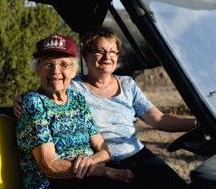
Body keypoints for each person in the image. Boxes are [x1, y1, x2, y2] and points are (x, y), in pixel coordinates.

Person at [14, 26, 199, 189]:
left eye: (112, 52)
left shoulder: (125, 85)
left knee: (178, 186)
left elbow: (158, 119)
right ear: (85, 56)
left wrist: (200, 123)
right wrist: (23, 98)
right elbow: (49, 86)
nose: (107, 57)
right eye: (100, 51)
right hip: (98, 164)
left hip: (132, 155)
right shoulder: (72, 86)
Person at [16, 33, 142, 189]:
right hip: (52, 183)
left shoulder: (77, 99)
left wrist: (91, 161)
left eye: (64, 64)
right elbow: (50, 167)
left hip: (85, 176)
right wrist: (105, 172)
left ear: (74, 71)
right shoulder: (34, 102)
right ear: (37, 69)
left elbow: (103, 151)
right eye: (48, 64)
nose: (56, 71)